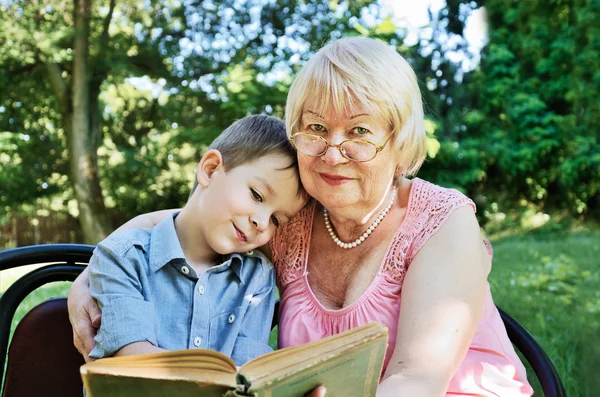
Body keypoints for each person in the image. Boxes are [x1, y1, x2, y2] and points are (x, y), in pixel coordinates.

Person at [69, 37, 533, 396]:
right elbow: (174, 222)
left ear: (399, 142)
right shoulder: (284, 222)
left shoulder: (442, 221)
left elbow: (418, 381)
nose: (333, 151)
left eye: (359, 131)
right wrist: (87, 279)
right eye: (315, 128)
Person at [85, 115, 306, 365]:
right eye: (256, 195)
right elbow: (133, 360)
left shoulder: (257, 279)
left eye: (277, 220)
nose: (262, 223)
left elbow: (248, 373)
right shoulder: (125, 257)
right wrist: (217, 379)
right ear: (210, 170)